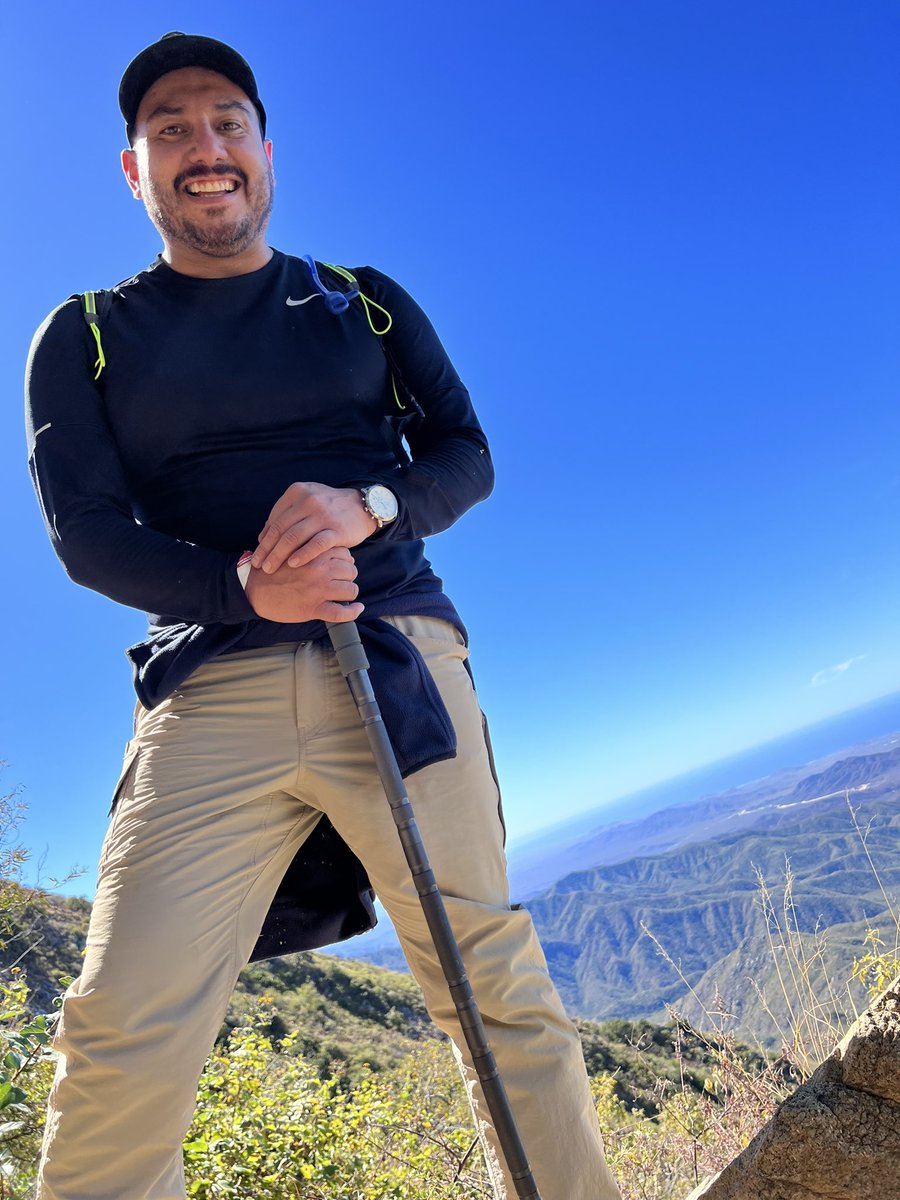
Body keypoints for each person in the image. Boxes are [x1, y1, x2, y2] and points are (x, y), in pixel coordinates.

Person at [24, 31, 621, 1200]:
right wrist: (246, 587)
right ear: (133, 170)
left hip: (398, 655)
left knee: (488, 979)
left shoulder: (363, 302)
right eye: (172, 131)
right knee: (119, 1025)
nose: (206, 148)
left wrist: (371, 504)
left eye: (227, 123)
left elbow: (465, 455)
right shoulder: (85, 335)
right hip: (209, 689)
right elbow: (86, 536)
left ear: (265, 149)